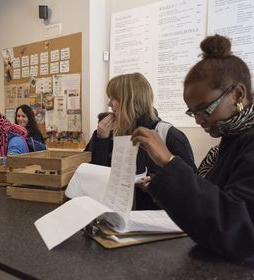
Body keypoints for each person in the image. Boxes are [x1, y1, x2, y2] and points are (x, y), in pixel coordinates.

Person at [131, 35, 254, 261]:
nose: (198, 120)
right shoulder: (233, 137)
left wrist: (169, 162)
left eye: (204, 110)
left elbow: (242, 231)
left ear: (237, 94)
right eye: (192, 112)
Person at [91, 73, 196, 210]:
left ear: (130, 100)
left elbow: (191, 184)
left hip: (155, 221)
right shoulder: (112, 134)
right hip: (118, 215)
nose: (109, 103)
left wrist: (156, 182)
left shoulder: (169, 135)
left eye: (113, 98)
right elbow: (99, 176)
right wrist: (101, 140)